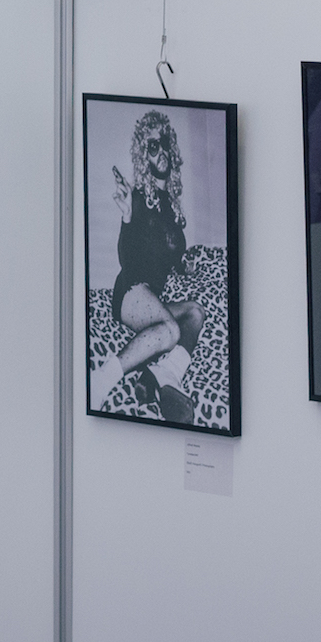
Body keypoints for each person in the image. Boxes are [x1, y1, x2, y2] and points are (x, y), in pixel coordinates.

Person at [89, 110, 204, 424]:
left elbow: (169, 260)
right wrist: (127, 217)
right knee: (171, 331)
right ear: (145, 156)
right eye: (153, 146)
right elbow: (127, 258)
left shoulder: (172, 209)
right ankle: (101, 379)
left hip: (151, 298)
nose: (161, 150)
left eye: (164, 142)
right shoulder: (139, 198)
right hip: (130, 291)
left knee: (195, 313)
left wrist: (185, 266)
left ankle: (165, 373)